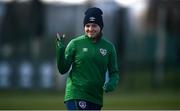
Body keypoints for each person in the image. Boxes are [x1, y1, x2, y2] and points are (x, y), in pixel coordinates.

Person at [56, 7, 119, 110]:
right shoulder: (75, 44)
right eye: (87, 26)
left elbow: (114, 72)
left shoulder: (109, 47)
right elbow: (62, 69)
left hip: (96, 97)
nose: (90, 29)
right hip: (76, 93)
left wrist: (111, 84)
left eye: (94, 26)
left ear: (101, 27)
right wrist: (60, 50)